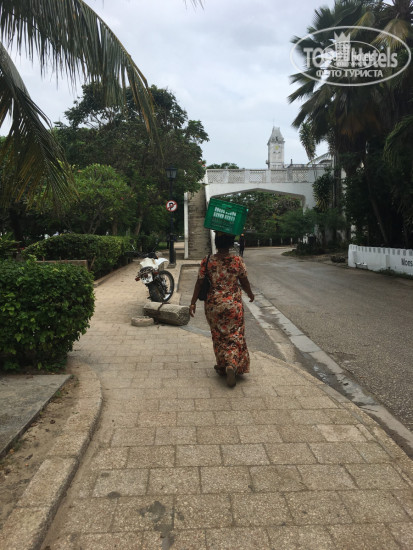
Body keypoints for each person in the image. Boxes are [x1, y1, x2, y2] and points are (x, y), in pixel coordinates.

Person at [189, 232, 254, 387]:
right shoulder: (237, 260)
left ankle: (223, 365)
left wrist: (192, 303)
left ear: (216, 243)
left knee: (218, 335)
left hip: (214, 305)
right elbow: (244, 281)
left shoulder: (207, 261)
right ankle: (232, 364)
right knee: (235, 334)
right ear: (231, 244)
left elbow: (199, 283)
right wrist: (250, 294)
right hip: (233, 305)